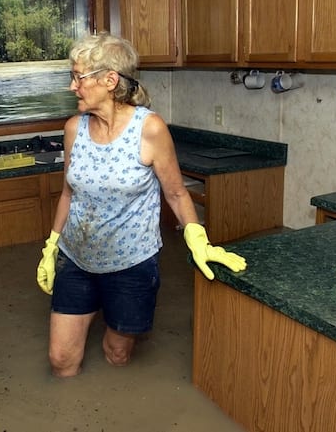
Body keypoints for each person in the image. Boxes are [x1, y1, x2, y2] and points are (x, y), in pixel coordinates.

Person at [36, 32, 246, 378]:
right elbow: (68, 194)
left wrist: (198, 241)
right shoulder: (74, 128)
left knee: (117, 356)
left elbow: (177, 193)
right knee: (61, 360)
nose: (72, 86)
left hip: (131, 264)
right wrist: (51, 245)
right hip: (77, 259)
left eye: (78, 77)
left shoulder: (149, 129)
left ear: (109, 80)